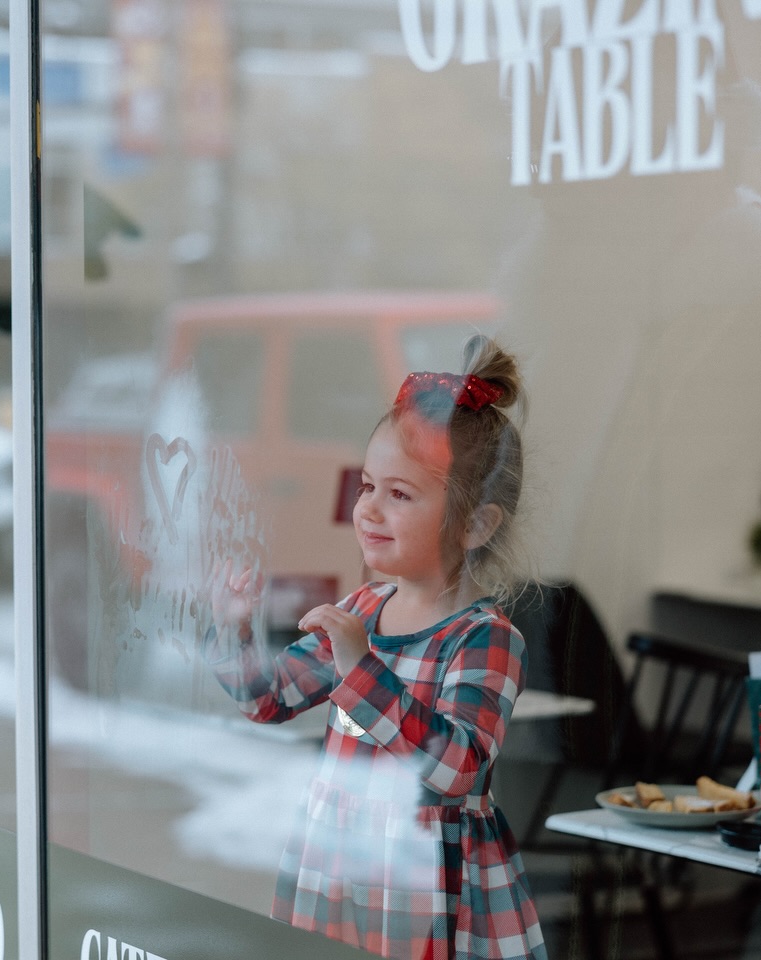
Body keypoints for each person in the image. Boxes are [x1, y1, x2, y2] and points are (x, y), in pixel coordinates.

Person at [206, 337, 546, 960]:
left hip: (426, 879)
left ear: (476, 524)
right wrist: (235, 630)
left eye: (400, 494)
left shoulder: (484, 637)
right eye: (367, 486)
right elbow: (268, 699)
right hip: (341, 861)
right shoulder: (362, 610)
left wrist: (361, 669)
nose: (368, 509)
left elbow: (458, 770)